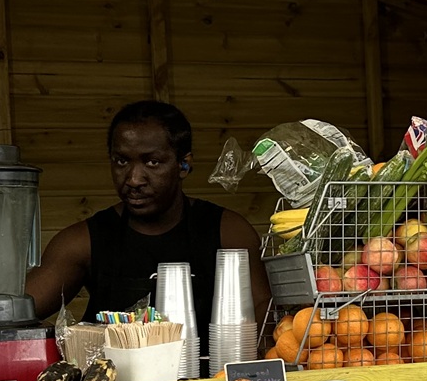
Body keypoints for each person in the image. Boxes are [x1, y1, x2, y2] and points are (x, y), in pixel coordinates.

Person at [25, 100, 269, 344]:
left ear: (184, 165)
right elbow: (15, 314)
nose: (133, 178)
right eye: (121, 161)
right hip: (116, 380)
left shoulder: (227, 232)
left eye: (152, 162)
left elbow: (265, 315)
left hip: (212, 380)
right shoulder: (82, 242)